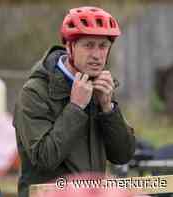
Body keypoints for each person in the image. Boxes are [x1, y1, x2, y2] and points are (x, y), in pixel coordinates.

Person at [13, 6, 136, 197]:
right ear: (69, 46)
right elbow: (44, 158)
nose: (96, 54)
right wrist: (76, 107)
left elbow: (123, 155)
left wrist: (108, 109)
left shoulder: (101, 87)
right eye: (88, 45)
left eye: (103, 46)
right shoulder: (34, 92)